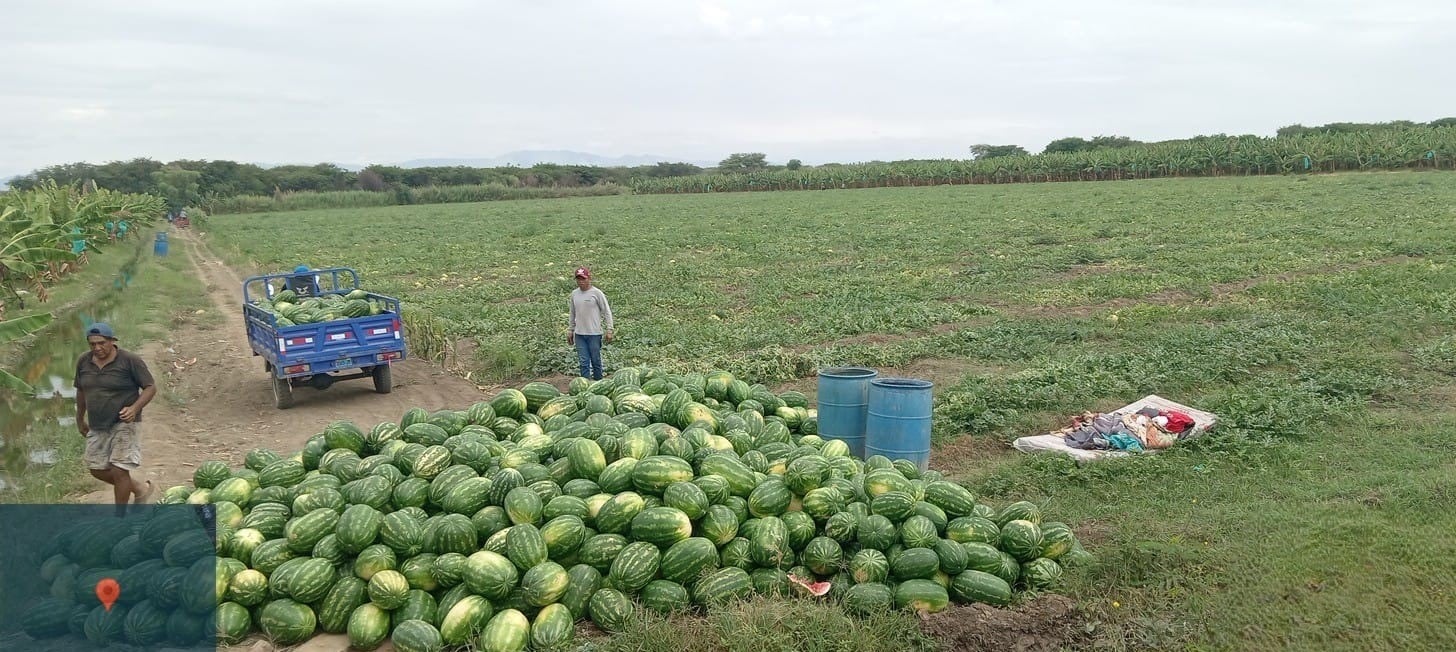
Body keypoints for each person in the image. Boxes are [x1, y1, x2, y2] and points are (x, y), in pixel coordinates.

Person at [73, 322, 156, 515]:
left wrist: (135, 408)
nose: (97, 348)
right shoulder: (84, 362)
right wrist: (79, 417)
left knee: (119, 470)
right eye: (92, 344)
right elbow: (81, 390)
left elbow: (150, 387)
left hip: (125, 423)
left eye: (101, 343)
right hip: (97, 423)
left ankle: (119, 518)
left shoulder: (129, 360)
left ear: (112, 341)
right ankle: (139, 488)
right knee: (96, 469)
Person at [567, 266, 614, 380]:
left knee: (595, 360)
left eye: (583, 279)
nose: (581, 282)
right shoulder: (574, 294)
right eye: (579, 279)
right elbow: (572, 313)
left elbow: (606, 312)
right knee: (583, 362)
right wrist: (570, 329)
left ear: (589, 278)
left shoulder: (597, 293)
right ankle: (586, 386)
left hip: (594, 334)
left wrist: (609, 329)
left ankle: (599, 383)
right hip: (579, 334)